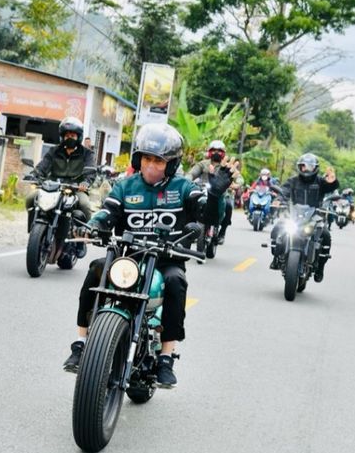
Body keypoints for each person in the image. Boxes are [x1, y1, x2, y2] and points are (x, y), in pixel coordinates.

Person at [62, 123, 235, 387]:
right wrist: (95, 225)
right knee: (96, 268)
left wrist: (215, 195)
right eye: (147, 159)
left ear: (171, 164)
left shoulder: (184, 187)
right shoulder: (125, 186)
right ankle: (81, 342)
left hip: (166, 258)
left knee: (176, 282)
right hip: (127, 257)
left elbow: (209, 216)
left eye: (159, 161)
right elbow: (108, 212)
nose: (151, 166)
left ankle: (166, 357)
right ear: (138, 159)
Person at [269, 153, 339, 282]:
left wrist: (333, 181)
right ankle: (276, 258)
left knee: (326, 235)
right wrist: (278, 200)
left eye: (310, 166)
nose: (306, 169)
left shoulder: (320, 182)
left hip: (314, 217)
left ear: (315, 168)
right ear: (299, 167)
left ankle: (320, 268)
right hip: (294, 215)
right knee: (277, 228)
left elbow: (331, 187)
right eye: (303, 166)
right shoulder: (293, 181)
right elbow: (284, 192)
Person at [26, 117, 95, 224]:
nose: (69, 138)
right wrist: (35, 174)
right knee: (31, 198)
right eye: (67, 136)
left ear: (79, 137)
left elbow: (90, 170)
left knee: (85, 205)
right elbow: (43, 165)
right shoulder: (54, 151)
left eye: (72, 136)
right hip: (52, 186)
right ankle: (34, 224)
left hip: (76, 188)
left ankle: (85, 232)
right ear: (62, 137)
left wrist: (86, 182)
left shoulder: (87, 153)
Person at [186, 140, 243, 245]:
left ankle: (222, 232)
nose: (216, 153)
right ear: (209, 152)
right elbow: (192, 174)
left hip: (222, 193)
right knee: (189, 202)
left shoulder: (227, 166)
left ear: (223, 153)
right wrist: (187, 180)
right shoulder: (202, 164)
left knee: (229, 205)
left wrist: (236, 184)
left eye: (219, 151)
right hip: (203, 191)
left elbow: (239, 178)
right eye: (213, 150)